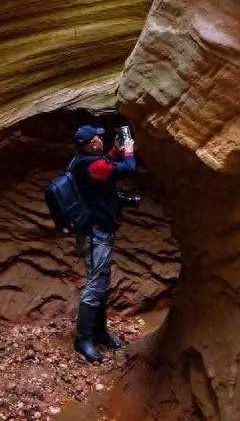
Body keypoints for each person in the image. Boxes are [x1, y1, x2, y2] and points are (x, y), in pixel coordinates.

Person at [70, 120, 136, 364]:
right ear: (90, 144)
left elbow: (104, 164)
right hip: (95, 234)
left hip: (95, 231)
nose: (101, 139)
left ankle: (99, 333)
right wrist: (127, 149)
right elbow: (127, 169)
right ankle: (83, 339)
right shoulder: (91, 166)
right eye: (97, 138)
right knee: (95, 286)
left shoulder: (82, 161)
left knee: (101, 283)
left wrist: (113, 153)